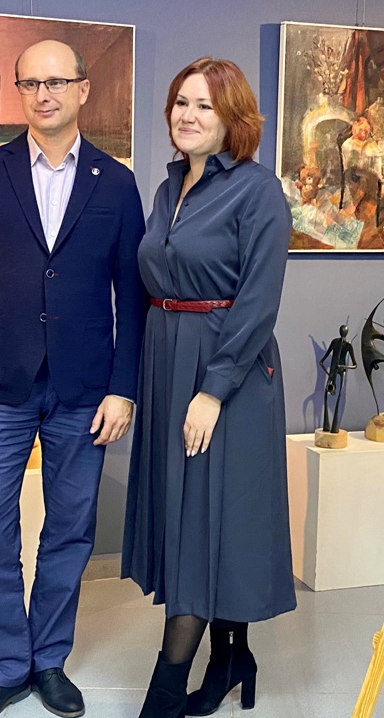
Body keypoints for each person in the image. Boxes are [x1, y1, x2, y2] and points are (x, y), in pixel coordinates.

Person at [0, 39, 147, 718]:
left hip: (84, 390)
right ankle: (4, 667)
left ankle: (48, 660)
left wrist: (123, 387)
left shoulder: (116, 183)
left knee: (70, 530)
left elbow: (132, 297)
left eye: (56, 82)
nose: (43, 94)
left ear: (83, 89)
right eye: (30, 83)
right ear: (18, 91)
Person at [122, 58, 297, 718]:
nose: (188, 116)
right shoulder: (168, 188)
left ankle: (165, 691)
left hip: (228, 372)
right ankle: (231, 659)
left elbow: (258, 300)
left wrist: (214, 389)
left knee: (204, 522)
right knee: (199, 514)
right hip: (168, 362)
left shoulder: (257, 190)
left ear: (233, 119)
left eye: (205, 106)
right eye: (180, 103)